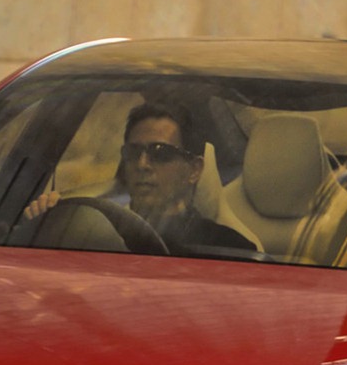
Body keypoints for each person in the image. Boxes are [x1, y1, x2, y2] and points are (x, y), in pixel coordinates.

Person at [25, 102, 254, 253]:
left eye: (160, 153)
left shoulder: (230, 249)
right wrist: (44, 224)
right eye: (133, 153)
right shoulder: (92, 230)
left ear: (194, 170)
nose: (142, 164)